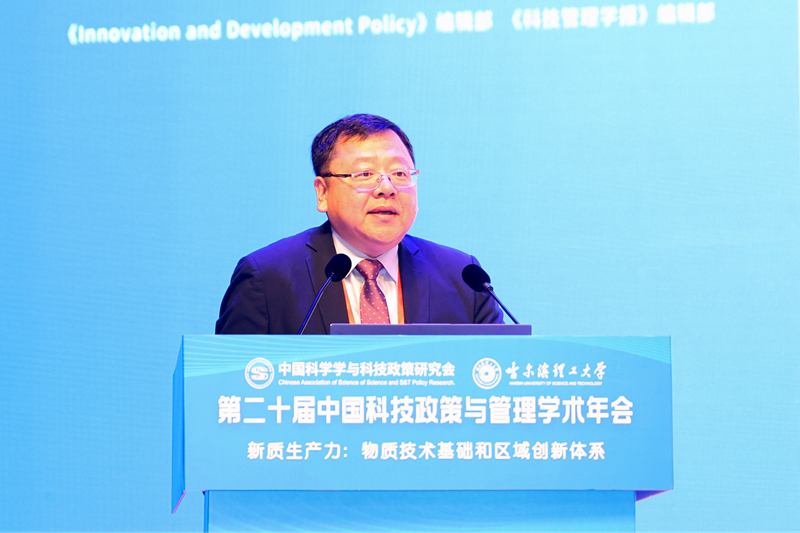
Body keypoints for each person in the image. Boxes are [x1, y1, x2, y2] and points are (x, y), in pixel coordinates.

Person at [216, 114, 502, 334]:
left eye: (399, 173)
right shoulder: (267, 279)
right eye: (365, 174)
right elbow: (231, 383)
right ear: (323, 193)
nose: (387, 188)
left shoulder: (464, 279)